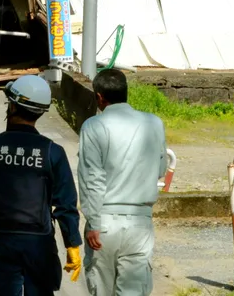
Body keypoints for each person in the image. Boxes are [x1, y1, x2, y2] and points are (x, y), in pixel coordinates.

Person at [0, 75, 82, 296]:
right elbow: (65, 203)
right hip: (38, 244)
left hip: (1, 239)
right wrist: (72, 243)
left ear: (12, 106)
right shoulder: (52, 152)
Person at [78, 69, 166, 296]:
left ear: (99, 97)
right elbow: (161, 169)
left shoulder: (93, 126)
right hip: (140, 222)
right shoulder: (154, 123)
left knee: (102, 289)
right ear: (126, 92)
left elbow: (92, 178)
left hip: (104, 221)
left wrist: (93, 221)